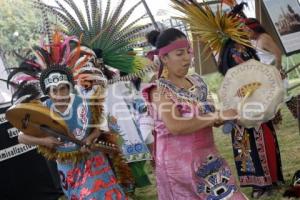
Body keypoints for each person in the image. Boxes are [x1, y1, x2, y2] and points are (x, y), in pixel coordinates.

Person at [12, 32, 126, 199]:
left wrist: (91, 138)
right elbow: (21, 137)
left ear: (70, 87)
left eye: (63, 88)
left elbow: (99, 128)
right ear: (48, 92)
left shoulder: (86, 103)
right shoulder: (42, 110)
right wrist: (43, 141)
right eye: (54, 90)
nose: (60, 94)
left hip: (93, 162)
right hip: (67, 166)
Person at [142, 28, 247, 199]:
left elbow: (209, 117)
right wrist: (216, 116)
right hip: (177, 167)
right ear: (164, 58)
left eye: (188, 51)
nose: (187, 57)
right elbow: (175, 126)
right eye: (179, 53)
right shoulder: (158, 90)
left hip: (208, 158)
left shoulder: (197, 81)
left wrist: (228, 114)